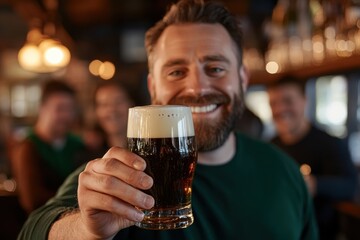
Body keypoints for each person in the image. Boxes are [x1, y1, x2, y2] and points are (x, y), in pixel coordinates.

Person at [19, 1, 318, 239]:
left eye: (215, 68)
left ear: (242, 80)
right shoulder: (121, 177)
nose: (197, 88)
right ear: (153, 87)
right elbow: (33, 231)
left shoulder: (285, 172)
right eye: (176, 72)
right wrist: (85, 229)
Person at [267, 75, 358, 240]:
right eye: (274, 103)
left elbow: (350, 186)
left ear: (304, 100)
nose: (280, 109)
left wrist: (314, 184)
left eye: (288, 101)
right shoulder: (270, 146)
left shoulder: (330, 143)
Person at [11, 79, 86, 214]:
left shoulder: (77, 144)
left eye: (70, 109)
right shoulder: (28, 147)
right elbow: (32, 201)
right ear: (42, 108)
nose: (66, 115)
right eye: (60, 108)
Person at [83, 80, 134, 155]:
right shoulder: (87, 154)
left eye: (118, 102)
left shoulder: (146, 150)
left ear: (132, 104)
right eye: (104, 104)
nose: (111, 109)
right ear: (96, 111)